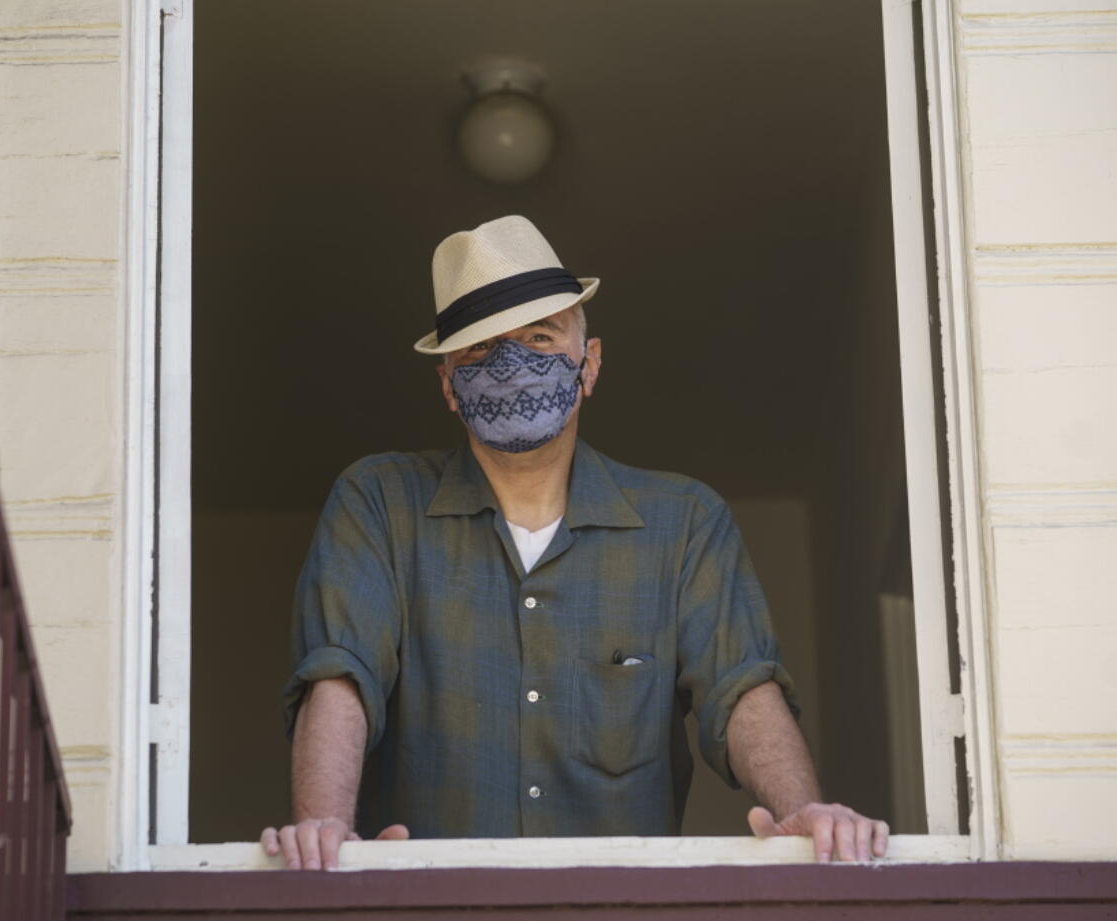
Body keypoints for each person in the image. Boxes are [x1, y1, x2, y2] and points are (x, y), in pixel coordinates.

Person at [260, 215, 889, 871]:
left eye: (539, 336)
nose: (511, 363)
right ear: (448, 384)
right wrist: (323, 829)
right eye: (480, 349)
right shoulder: (380, 502)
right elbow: (341, 671)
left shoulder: (685, 522)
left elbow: (739, 687)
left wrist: (806, 814)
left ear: (589, 365)